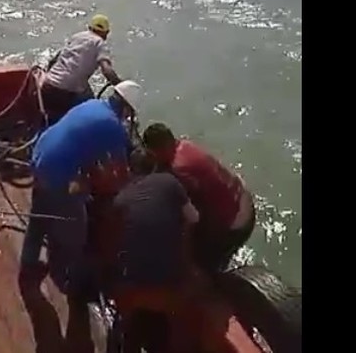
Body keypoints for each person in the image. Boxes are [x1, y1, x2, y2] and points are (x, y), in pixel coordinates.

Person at [19, 80, 143, 295]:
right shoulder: (113, 125)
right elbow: (121, 171)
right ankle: (67, 280)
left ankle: (28, 262)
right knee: (74, 228)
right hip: (57, 173)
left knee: (38, 218)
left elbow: (85, 148)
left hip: (40, 156)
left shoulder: (93, 105)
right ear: (126, 108)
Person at [105, 148, 201, 353]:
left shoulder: (121, 199)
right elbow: (194, 219)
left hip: (133, 287)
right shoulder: (170, 182)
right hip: (169, 287)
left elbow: (113, 245)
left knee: (127, 325)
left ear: (131, 171)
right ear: (155, 167)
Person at [142, 122, 256, 276]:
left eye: (152, 153)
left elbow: (188, 215)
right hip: (244, 200)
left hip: (234, 225)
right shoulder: (185, 145)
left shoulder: (178, 169)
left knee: (198, 261)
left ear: (159, 150)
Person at [40, 14, 121, 125]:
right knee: (91, 111)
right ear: (106, 33)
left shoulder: (77, 36)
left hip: (48, 85)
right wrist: (119, 84)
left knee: (48, 118)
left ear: (89, 28)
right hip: (66, 94)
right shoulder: (100, 44)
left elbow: (54, 60)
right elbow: (106, 70)